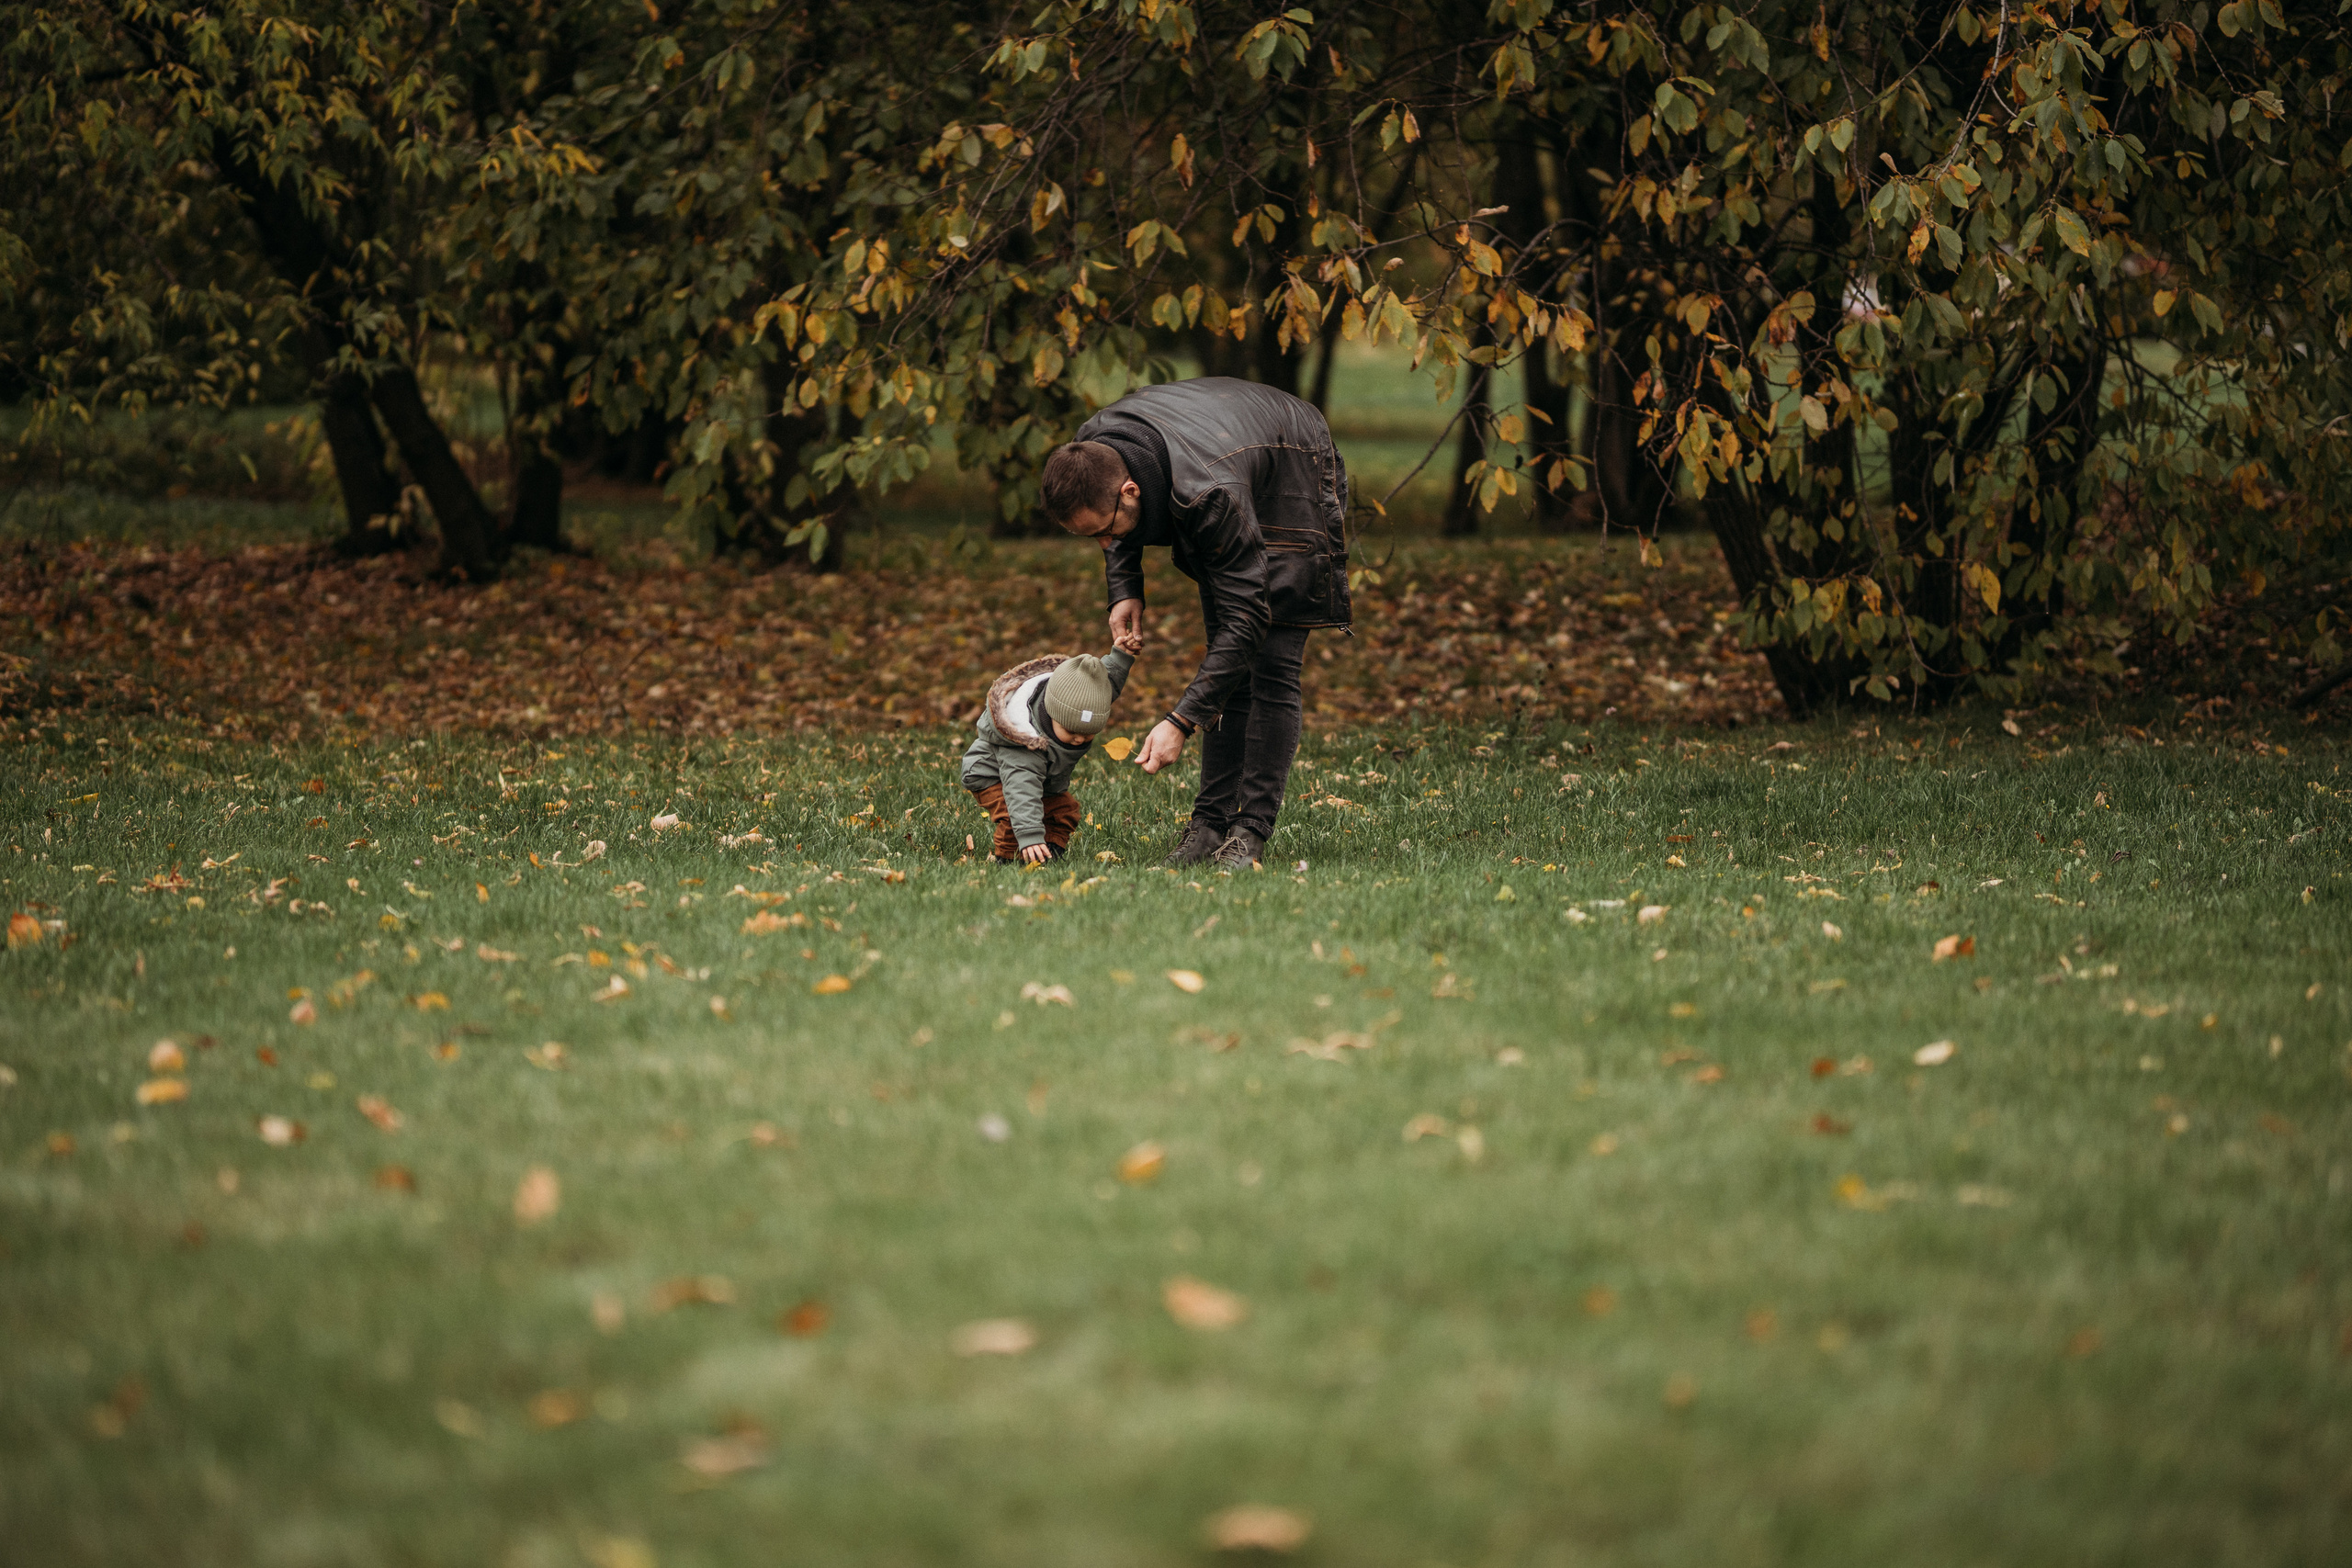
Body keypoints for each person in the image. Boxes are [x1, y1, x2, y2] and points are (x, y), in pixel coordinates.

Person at [1041, 377, 1351, 872]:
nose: (1104, 545)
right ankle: (1209, 826)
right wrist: (1124, 588)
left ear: (1130, 491)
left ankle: (1248, 831)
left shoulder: (1210, 497)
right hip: (1224, 449)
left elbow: (1247, 620)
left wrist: (1180, 721)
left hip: (1292, 467)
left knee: (1269, 662)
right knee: (1227, 663)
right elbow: (1114, 523)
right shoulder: (1094, 448)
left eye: (1104, 533)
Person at [960, 643, 1138, 865]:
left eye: (1088, 733)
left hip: (1041, 779)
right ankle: (1008, 861)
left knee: (1065, 810)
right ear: (1052, 712)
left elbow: (1104, 686)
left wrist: (1120, 657)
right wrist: (1030, 834)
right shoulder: (1026, 740)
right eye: (1072, 731)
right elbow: (1021, 790)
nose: (1079, 739)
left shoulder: (1080, 703)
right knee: (1012, 817)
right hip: (990, 775)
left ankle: (1049, 854)